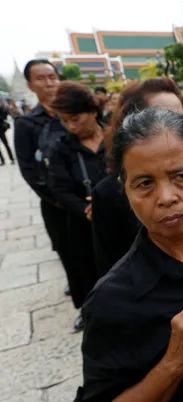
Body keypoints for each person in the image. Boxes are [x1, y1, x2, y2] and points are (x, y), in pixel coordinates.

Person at [75, 108, 183, 402]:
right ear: (125, 191)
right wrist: (174, 361)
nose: (166, 197)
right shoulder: (113, 301)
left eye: (181, 177)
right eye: (144, 184)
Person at [92, 77, 183, 278]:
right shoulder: (108, 193)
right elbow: (110, 268)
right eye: (145, 184)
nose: (167, 198)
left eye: (180, 118)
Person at [48, 82, 107, 331]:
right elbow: (60, 189)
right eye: (64, 121)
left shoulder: (116, 137)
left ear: (92, 111)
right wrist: (86, 209)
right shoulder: (61, 148)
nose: (71, 126)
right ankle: (90, 312)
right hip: (84, 221)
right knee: (85, 269)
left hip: (119, 217)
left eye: (75, 118)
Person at [13, 59, 70, 293]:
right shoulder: (27, 124)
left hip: (88, 197)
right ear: (30, 85)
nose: (49, 83)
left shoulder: (74, 113)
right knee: (68, 251)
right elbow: (28, 169)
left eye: (52, 77)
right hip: (57, 203)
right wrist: (55, 199)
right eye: (41, 78)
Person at [0, 100, 15, 165]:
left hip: (0, 129)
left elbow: (4, 116)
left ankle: (11, 159)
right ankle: (2, 160)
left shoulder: (1, 108)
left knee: (6, 144)